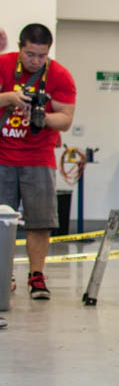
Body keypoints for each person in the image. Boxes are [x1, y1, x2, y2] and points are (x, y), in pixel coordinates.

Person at [0, 23, 76, 302]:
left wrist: (43, 118)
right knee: (2, 221)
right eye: (30, 54)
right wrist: (8, 98)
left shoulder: (60, 76)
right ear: (20, 47)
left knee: (39, 221)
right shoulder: (3, 65)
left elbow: (66, 119)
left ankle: (36, 276)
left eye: (41, 56)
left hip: (39, 158)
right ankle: (2, 275)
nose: (35, 61)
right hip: (2, 156)